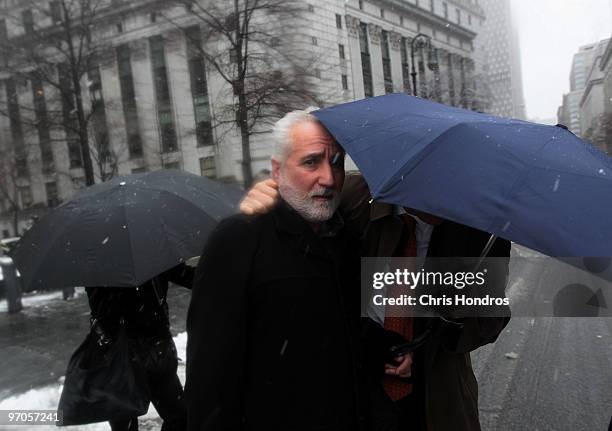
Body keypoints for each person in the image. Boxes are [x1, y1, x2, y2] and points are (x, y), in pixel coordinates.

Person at [240, 172, 511, 431]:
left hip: (437, 393)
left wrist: (456, 315)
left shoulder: (481, 227)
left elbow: (492, 318)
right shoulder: (353, 197)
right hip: (358, 378)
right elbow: (290, 258)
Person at [185, 108, 365, 430]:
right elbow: (209, 375)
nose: (328, 177)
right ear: (277, 172)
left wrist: (385, 349)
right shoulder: (239, 238)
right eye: (311, 162)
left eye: (336, 162)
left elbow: (347, 329)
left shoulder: (345, 236)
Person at [86, 263, 194, 431]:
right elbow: (101, 312)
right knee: (175, 417)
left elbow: (188, 276)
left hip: (147, 353)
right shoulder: (149, 251)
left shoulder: (98, 259)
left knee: (178, 417)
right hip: (129, 356)